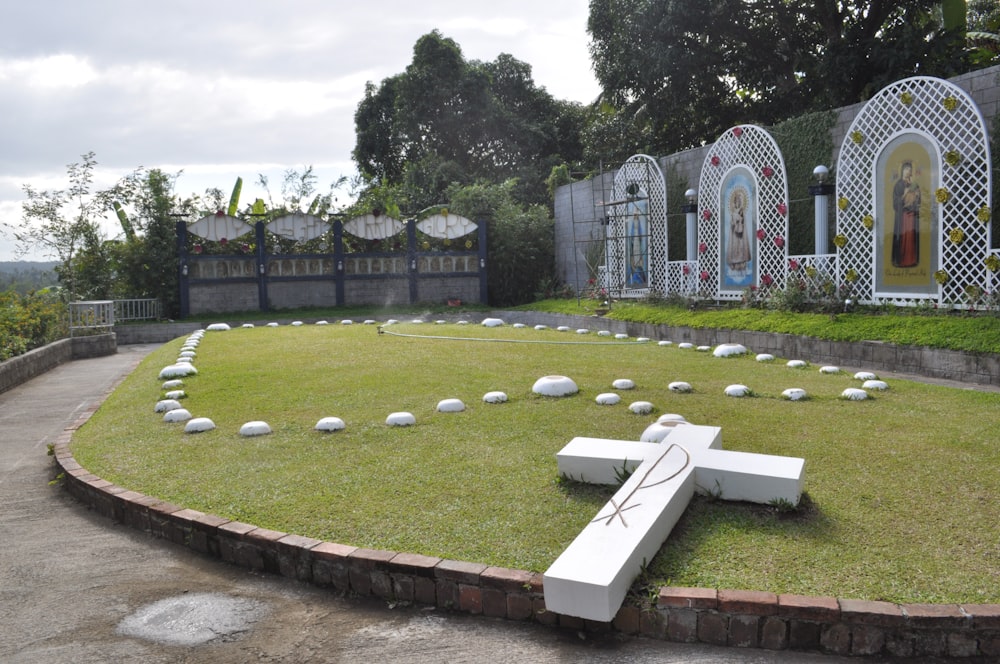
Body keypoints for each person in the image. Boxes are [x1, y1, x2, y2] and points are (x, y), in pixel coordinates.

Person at [892, 161, 920, 268]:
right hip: (902, 216)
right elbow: (895, 203)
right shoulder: (898, 185)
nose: (909, 171)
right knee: (903, 237)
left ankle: (911, 260)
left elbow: (919, 201)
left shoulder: (914, 184)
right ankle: (901, 260)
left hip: (912, 215)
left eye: (910, 169)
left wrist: (917, 195)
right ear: (903, 170)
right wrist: (904, 194)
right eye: (907, 169)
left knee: (911, 237)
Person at [726, 188, 751, 277]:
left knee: (741, 249)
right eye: (736, 201)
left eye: (739, 201)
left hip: (740, 236)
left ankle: (742, 265)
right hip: (734, 235)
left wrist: (740, 219)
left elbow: (744, 223)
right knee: (734, 249)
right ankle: (734, 266)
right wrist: (734, 222)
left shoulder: (742, 212)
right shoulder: (733, 213)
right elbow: (731, 223)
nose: (738, 203)